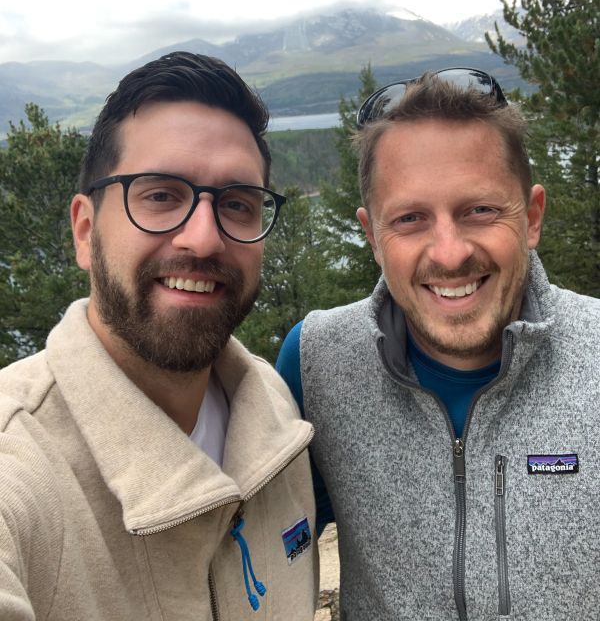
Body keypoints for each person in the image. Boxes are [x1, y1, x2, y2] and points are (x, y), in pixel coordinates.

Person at [0, 52, 318, 620]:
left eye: (238, 204)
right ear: (84, 229)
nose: (203, 239)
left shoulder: (274, 411)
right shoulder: (18, 472)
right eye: (160, 195)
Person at [277, 67, 600, 620]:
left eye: (479, 210)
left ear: (532, 218)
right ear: (373, 238)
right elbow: (270, 549)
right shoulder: (315, 363)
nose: (448, 254)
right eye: (410, 219)